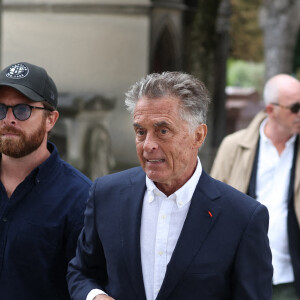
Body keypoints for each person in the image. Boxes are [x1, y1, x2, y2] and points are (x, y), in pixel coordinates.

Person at [67, 71, 273, 300]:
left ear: (198, 136)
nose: (148, 145)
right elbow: (82, 272)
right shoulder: (106, 194)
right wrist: (95, 297)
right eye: (140, 132)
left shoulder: (243, 217)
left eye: (162, 131)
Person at [0, 62, 92, 300]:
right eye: (0, 109)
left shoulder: (80, 198)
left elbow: (85, 282)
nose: (8, 119)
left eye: (22, 109)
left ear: (51, 119)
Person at [211, 74, 300, 300]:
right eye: (295, 107)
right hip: (241, 274)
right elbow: (211, 206)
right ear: (271, 110)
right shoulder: (234, 146)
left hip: (291, 277)